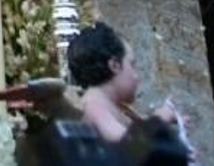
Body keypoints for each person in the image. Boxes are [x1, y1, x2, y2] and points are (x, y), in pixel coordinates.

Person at [68, 23, 193, 165]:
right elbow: (128, 147)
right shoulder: (94, 106)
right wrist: (159, 120)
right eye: (132, 65)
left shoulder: (112, 106)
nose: (137, 76)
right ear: (114, 65)